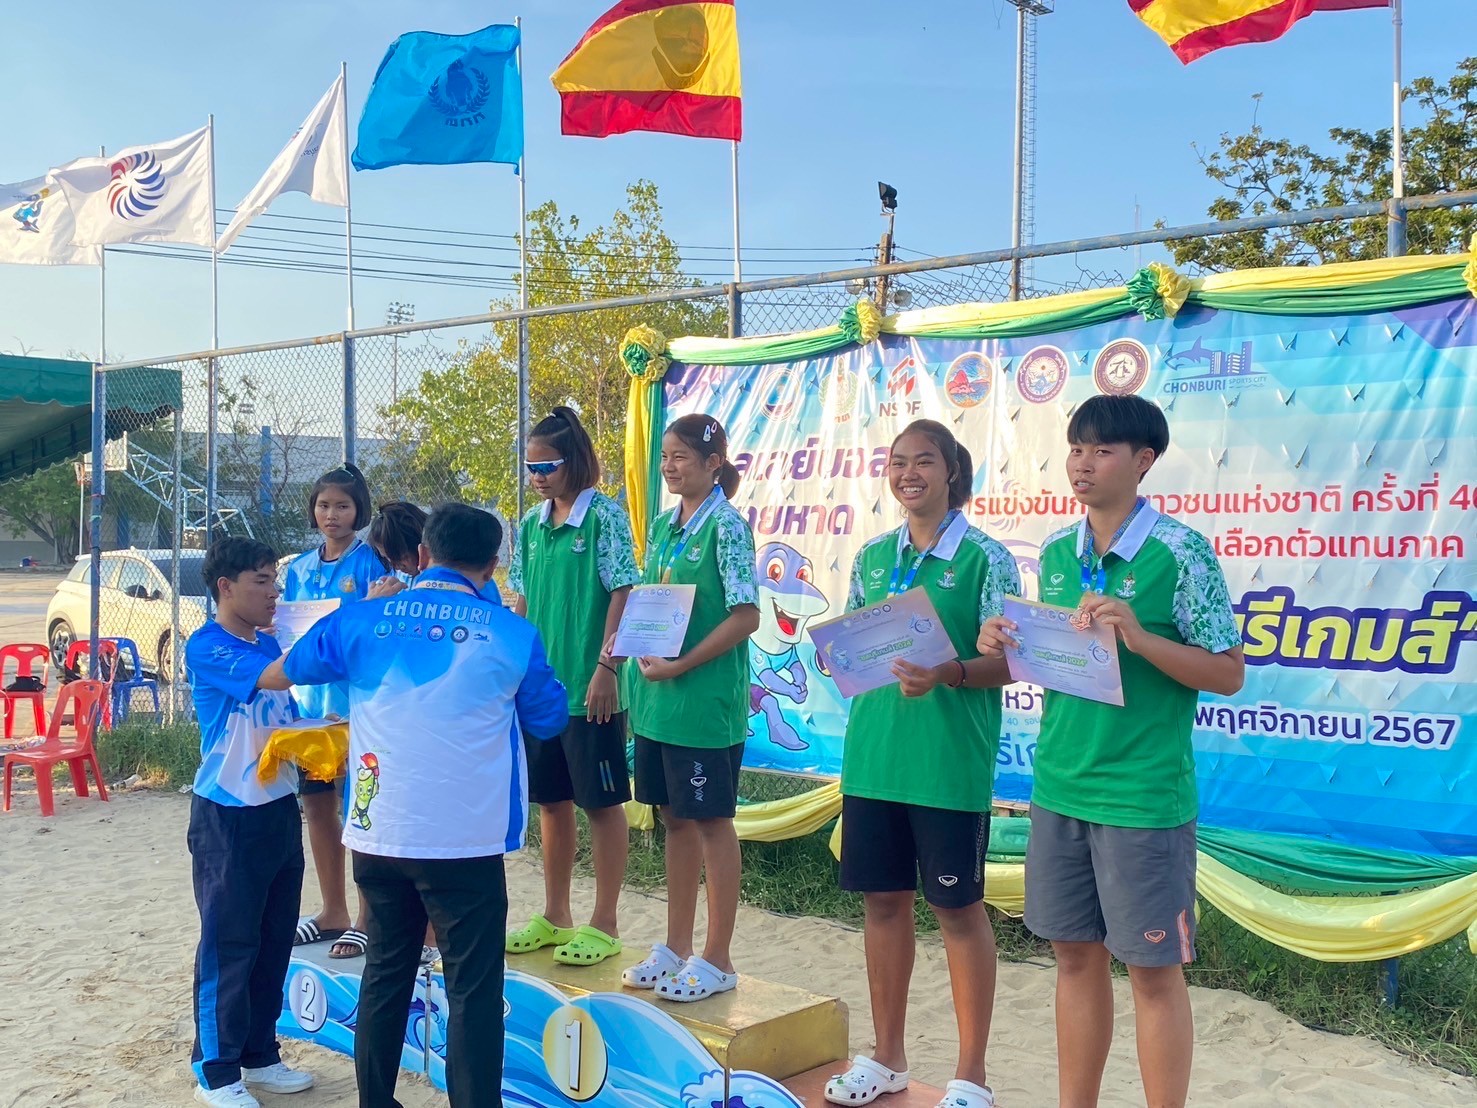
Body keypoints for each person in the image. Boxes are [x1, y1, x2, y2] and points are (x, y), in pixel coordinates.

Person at [977, 395, 1244, 1108]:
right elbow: (1051, 661)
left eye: (1101, 450)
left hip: (1141, 796)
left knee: (1152, 972)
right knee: (1073, 958)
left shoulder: (1180, 552)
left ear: (1143, 461)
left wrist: (1141, 637)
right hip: (1059, 785)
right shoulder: (1057, 552)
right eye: (1075, 448)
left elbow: (1227, 673)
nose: (1082, 464)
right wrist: (1002, 644)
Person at [272, 503, 568, 1108]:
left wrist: (361, 610)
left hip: (377, 830)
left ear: (424, 554)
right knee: (472, 990)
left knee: (385, 973)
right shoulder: (512, 633)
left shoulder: (362, 619)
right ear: (492, 564)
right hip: (466, 838)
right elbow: (549, 718)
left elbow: (296, 664)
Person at [825, 420, 1018, 1108]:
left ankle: (971, 1076)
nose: (908, 473)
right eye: (898, 462)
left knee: (957, 910)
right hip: (874, 758)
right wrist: (838, 652)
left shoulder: (986, 558)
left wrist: (948, 673)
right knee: (882, 904)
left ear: (951, 471)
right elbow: (852, 644)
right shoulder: (874, 555)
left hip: (947, 764)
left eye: (924, 461)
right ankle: (887, 1058)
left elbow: (1011, 662)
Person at [618, 413, 759, 1003]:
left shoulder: (727, 527)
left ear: (713, 463)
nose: (669, 467)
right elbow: (656, 601)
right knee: (672, 817)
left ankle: (718, 957)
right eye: (665, 456)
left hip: (703, 705)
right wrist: (631, 639)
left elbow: (745, 616)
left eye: (680, 456)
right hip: (658, 702)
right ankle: (676, 946)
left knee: (711, 822)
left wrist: (683, 664)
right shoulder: (663, 524)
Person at [506, 407, 640, 966]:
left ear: (576, 461)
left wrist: (607, 667)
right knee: (552, 804)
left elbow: (623, 592)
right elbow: (522, 599)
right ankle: (556, 914)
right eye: (531, 467)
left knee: (602, 805)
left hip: (591, 691)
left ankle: (604, 922)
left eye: (548, 466)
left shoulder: (604, 518)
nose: (538, 477)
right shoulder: (531, 525)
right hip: (542, 693)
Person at [184, 538, 313, 1107]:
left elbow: (286, 713)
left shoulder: (267, 640)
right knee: (228, 943)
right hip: (227, 815)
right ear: (226, 587)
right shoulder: (208, 645)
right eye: (261, 581)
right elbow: (277, 679)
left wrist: (322, 733)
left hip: (278, 808)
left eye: (274, 580)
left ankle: (260, 1055)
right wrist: (353, 620)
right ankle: (215, 1072)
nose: (274, 592)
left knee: (274, 938)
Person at [282, 462, 387, 960]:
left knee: (358, 809)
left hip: (354, 706)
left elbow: (376, 628)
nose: (332, 515)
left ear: (358, 511)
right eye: (324, 505)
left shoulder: (370, 564)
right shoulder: (298, 569)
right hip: (308, 707)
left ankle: (367, 918)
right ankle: (333, 911)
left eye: (342, 506)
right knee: (317, 806)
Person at [366, 500, 428, 599]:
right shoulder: (400, 576)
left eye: (401, 558)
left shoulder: (436, 579)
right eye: (387, 558)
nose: (397, 567)